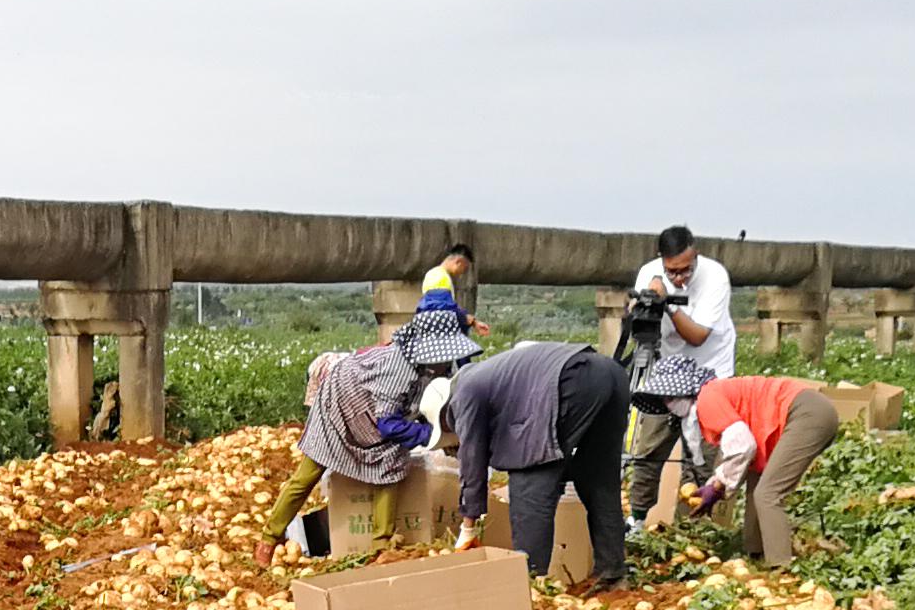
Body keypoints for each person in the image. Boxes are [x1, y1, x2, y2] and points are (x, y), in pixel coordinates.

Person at [266, 295, 479, 555]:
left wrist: (452, 439)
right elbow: (389, 425)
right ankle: (270, 538)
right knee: (308, 474)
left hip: (378, 415)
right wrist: (434, 435)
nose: (448, 361)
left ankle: (381, 547)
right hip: (341, 405)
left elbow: (429, 405)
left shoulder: (435, 367)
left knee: (390, 469)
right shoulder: (399, 366)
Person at [446, 337, 630, 586]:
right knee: (598, 477)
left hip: (569, 380)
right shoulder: (495, 375)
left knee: (529, 482)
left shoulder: (465, 391)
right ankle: (613, 574)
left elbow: (471, 460)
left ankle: (531, 584)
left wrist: (468, 527)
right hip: (610, 373)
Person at [625, 224, 737, 520]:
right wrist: (641, 305)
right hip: (666, 373)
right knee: (648, 451)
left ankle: (697, 526)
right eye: (672, 271)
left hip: (710, 372)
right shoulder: (650, 274)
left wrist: (669, 307)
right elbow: (639, 325)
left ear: (695, 255)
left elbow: (697, 336)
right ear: (661, 260)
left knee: (701, 458)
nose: (679, 277)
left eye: (685, 270)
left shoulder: (715, 277)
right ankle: (637, 519)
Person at [685, 370, 842, 566]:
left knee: (768, 493)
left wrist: (716, 487)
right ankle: (756, 557)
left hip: (806, 413)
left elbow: (742, 446)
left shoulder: (706, 399)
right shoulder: (713, 394)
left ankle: (780, 567)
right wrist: (717, 488)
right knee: (757, 482)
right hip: (806, 411)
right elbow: (743, 458)